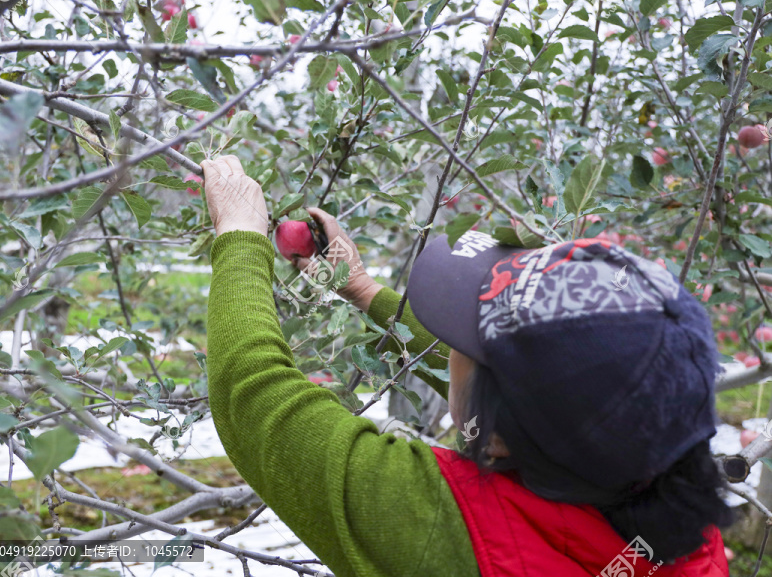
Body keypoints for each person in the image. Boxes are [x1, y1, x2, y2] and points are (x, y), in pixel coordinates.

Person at [200, 155, 735, 577]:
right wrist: (361, 288)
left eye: (464, 340)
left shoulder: (442, 526)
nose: (450, 345)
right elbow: (536, 386)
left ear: (499, 437)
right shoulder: (685, 527)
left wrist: (240, 236)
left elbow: (251, 397)